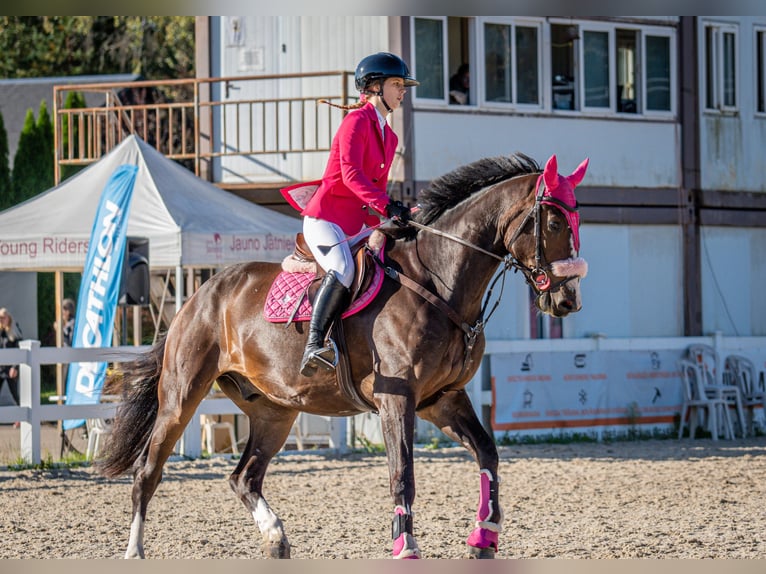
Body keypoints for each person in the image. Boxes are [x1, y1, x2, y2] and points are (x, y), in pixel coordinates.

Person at [297, 52, 417, 377]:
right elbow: (351, 176)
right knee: (343, 268)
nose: (403, 91)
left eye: (403, 85)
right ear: (375, 87)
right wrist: (387, 205)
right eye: (396, 84)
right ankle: (313, 345)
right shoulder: (356, 121)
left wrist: (394, 218)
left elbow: (373, 187)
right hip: (326, 218)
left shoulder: (389, 137)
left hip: (357, 223)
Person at [0, 308, 20, 405]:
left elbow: (19, 350)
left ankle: (21, 417)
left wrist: (15, 367)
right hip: (1, 368)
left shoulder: (14, 331)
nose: (2, 320)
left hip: (10, 368)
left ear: (8, 318)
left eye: (4, 317)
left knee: (15, 394)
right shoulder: (1, 332)